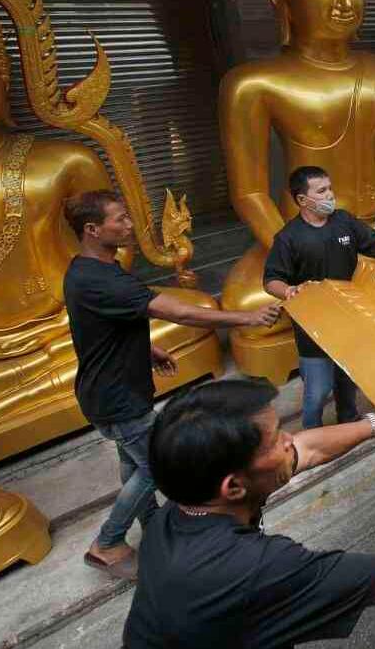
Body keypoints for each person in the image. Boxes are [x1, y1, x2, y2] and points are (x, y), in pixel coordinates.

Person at [124, 378, 375, 648]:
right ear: (233, 487)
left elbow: (306, 449)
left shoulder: (180, 509)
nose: (290, 438)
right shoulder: (253, 567)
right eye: (276, 440)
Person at [63, 190, 281, 579]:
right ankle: (107, 543)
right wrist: (246, 319)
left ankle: (153, 530)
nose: (130, 225)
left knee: (136, 466)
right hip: (118, 397)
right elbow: (177, 310)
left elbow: (103, 326)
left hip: (108, 390)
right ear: (93, 229)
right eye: (120, 219)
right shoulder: (99, 278)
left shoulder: (88, 271)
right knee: (157, 469)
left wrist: (146, 349)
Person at [264, 166, 375, 428]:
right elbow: (271, 280)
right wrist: (288, 290)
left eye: (330, 188)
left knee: (348, 378)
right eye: (322, 191)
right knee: (317, 392)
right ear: (302, 200)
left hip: (348, 317)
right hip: (314, 329)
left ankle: (349, 420)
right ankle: (312, 433)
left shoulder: (344, 221)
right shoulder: (288, 237)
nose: (330, 194)